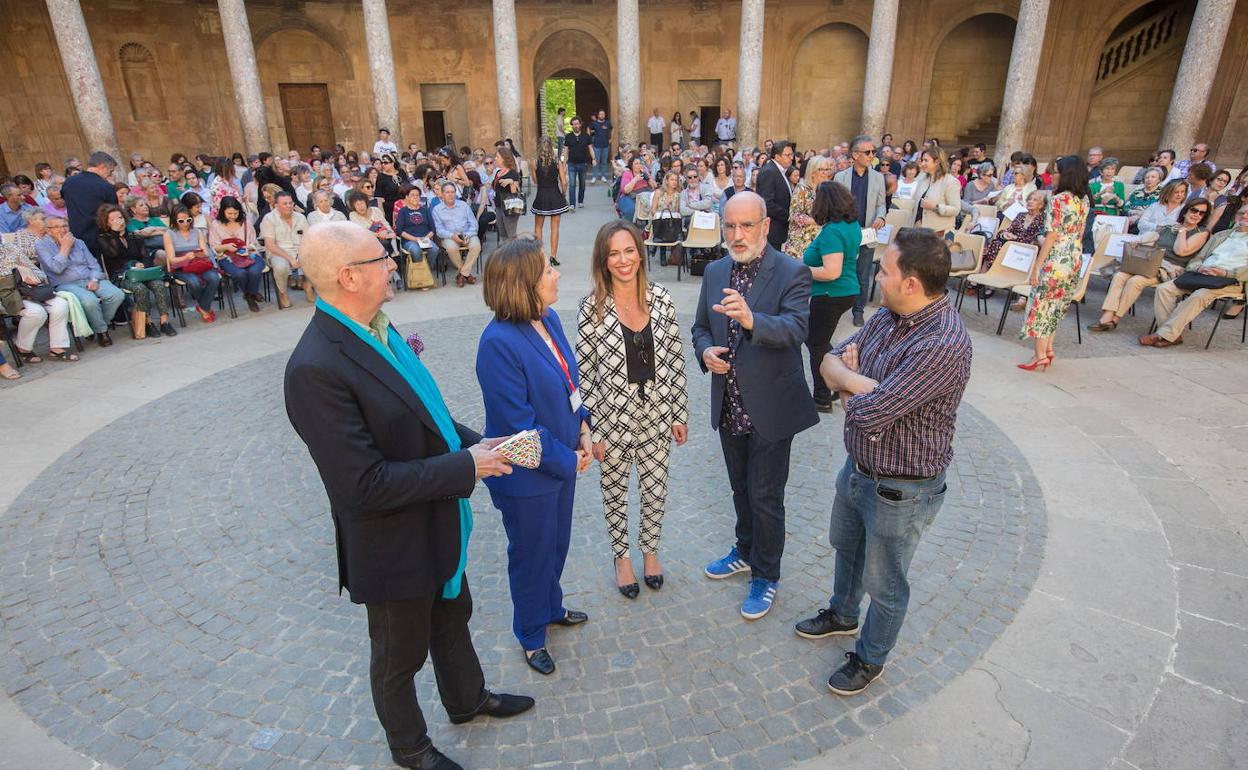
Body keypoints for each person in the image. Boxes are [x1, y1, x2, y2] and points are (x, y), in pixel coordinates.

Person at [283, 222, 533, 770]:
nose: (394, 263)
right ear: (348, 276)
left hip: (436, 520)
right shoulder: (314, 368)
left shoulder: (377, 327)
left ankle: (467, 700)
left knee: (453, 614)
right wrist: (466, 466)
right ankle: (410, 748)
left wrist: (477, 444)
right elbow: (363, 484)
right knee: (399, 656)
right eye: (381, 258)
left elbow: (428, 418)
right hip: (391, 543)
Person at [799, 227, 971, 696]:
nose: (877, 274)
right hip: (860, 468)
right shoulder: (890, 316)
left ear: (911, 283)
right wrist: (858, 378)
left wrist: (849, 379)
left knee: (886, 580)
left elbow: (870, 411)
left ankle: (870, 657)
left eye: (886, 270)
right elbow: (829, 362)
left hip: (902, 488)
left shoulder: (942, 343)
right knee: (847, 548)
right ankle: (842, 614)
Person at [693, 192, 818, 620]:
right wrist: (706, 351)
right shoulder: (714, 270)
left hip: (771, 406)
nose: (737, 234)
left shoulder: (792, 271)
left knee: (766, 495)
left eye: (747, 225)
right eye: (730, 226)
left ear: (765, 226)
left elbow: (796, 329)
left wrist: (750, 321)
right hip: (729, 403)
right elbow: (698, 328)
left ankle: (766, 574)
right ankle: (745, 549)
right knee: (740, 488)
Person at [476, 237, 593, 675]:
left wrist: (584, 426)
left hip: (562, 462)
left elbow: (569, 384)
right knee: (531, 554)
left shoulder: (550, 318)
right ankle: (530, 633)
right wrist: (570, 459)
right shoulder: (497, 343)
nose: (557, 274)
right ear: (523, 284)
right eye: (548, 270)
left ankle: (552, 606)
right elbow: (519, 430)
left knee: (557, 545)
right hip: (528, 478)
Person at [575, 221, 688, 599]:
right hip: (612, 419)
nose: (623, 261)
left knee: (656, 490)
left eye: (629, 251)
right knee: (615, 492)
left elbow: (674, 358)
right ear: (603, 261)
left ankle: (651, 552)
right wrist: (594, 431)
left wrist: (678, 412)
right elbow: (585, 376)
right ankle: (621, 558)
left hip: (656, 412)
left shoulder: (661, 299)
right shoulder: (590, 310)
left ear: (640, 254)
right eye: (614, 253)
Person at [1091, 198, 1212, 333]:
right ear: (1185, 211)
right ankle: (1107, 315)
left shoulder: (1201, 233)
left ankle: (1116, 319)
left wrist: (1182, 231)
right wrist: (1139, 241)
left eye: (1201, 213)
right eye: (1194, 210)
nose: (1197, 215)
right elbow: (1153, 236)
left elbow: (1181, 251)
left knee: (1135, 281)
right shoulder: (1169, 227)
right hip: (1150, 263)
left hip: (1171, 269)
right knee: (1119, 275)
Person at [1138, 205, 1248, 348]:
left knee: (1199, 295)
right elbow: (1198, 258)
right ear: (1235, 216)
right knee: (1164, 289)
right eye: (1242, 212)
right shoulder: (1222, 235)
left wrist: (1225, 273)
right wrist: (1199, 267)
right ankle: (1172, 335)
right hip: (1203, 274)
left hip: (1233, 280)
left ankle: (1162, 334)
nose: (1244, 216)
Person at [1019, 156, 1090, 371]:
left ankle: (1039, 355)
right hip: (1074, 258)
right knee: (1057, 307)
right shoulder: (1083, 200)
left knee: (1042, 307)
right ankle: (1048, 350)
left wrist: (1037, 266)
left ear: (1066, 173)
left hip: (1056, 259)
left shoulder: (1059, 200)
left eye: (1057, 171)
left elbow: (1051, 236)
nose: (1053, 175)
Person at [802, 181, 862, 412]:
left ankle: (822, 396)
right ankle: (835, 383)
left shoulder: (832, 231)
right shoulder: (852, 225)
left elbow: (831, 271)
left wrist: (800, 270)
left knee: (816, 343)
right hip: (845, 291)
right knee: (821, 342)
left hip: (830, 293)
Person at [33, 214, 124, 346]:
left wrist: (94, 279)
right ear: (48, 230)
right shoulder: (42, 246)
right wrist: (65, 248)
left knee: (117, 295)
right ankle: (102, 331)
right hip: (66, 284)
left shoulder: (79, 242)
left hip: (89, 278)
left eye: (64, 226)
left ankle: (94, 326)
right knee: (90, 301)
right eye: (57, 227)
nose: (62, 229)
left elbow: (93, 265)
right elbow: (56, 268)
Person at [1, 211, 77, 362]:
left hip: (28, 288)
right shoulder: (20, 237)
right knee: (36, 312)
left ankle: (57, 347)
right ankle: (23, 347)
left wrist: (32, 276)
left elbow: (34, 268)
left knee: (60, 304)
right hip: (7, 294)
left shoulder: (9, 248)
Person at [97, 205, 174, 336]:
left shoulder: (134, 236)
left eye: (120, 217)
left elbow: (146, 257)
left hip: (142, 273)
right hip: (122, 275)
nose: (118, 221)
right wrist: (116, 233)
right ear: (106, 222)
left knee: (159, 284)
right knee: (140, 288)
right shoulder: (104, 238)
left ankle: (164, 321)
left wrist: (141, 264)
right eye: (113, 219)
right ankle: (147, 322)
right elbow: (112, 254)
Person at [834, 135, 887, 327]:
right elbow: (836, 204)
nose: (872, 155)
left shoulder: (878, 177)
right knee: (841, 271)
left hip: (868, 232)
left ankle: (858, 310)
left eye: (873, 152)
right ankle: (839, 307)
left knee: (863, 275)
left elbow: (882, 204)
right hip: (846, 233)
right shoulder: (841, 177)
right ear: (855, 155)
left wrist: (881, 217)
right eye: (867, 152)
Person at [163, 204, 220, 324]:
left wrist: (199, 254)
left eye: (188, 220)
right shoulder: (169, 234)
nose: (185, 223)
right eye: (181, 221)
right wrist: (185, 257)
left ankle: (203, 307)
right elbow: (172, 259)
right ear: (175, 220)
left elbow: (206, 252)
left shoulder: (197, 231)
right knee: (194, 282)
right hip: (181, 267)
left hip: (198, 263)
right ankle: (206, 308)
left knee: (214, 278)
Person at [209, 196, 265, 313]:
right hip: (227, 257)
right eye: (229, 213)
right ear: (223, 211)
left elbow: (254, 242)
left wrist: (247, 248)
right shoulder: (216, 225)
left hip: (249, 254)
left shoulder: (246, 222)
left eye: (235, 213)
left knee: (255, 271)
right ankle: (250, 295)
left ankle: (251, 293)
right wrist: (226, 247)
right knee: (240, 274)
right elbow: (214, 246)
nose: (233, 216)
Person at [260, 190, 311, 308]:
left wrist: (301, 255)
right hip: (278, 252)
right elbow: (270, 245)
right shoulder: (269, 219)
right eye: (285, 204)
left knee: (315, 259)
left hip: (299, 249)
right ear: (276, 205)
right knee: (281, 266)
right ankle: (283, 292)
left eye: (290, 203)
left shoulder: (301, 217)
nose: (289, 206)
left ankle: (308, 285)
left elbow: (307, 239)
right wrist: (290, 259)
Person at [60, 151, 118, 254]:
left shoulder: (69, 182)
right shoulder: (105, 187)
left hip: (76, 236)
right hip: (99, 239)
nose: (110, 174)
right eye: (110, 171)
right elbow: (113, 213)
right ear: (102, 166)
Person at [978, 189, 1047, 275]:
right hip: (1010, 244)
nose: (1030, 201)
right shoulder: (1021, 215)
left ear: (1041, 205)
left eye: (1035, 200)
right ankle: (983, 276)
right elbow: (1009, 230)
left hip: (1027, 249)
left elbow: (1036, 239)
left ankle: (984, 277)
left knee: (998, 246)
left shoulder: (1044, 219)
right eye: (1029, 199)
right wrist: (1005, 234)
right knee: (996, 242)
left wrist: (1017, 238)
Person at [525, 138, 570, 267]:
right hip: (555, 195)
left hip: (541, 195)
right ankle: (553, 256)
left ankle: (540, 255)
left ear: (539, 147)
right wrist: (563, 193)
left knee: (538, 227)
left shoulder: (534, 162)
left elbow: (534, 181)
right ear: (551, 147)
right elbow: (564, 181)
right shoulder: (557, 162)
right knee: (554, 227)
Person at [782, 155, 833, 260]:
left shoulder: (825, 189)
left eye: (827, 169)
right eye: (821, 169)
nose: (825, 173)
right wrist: (817, 221)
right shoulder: (802, 189)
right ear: (812, 172)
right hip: (801, 243)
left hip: (819, 239)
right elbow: (795, 216)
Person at [432, 181, 481, 288]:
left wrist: (468, 234)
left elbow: (473, 223)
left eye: (453, 192)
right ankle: (466, 274)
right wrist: (452, 236)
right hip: (449, 236)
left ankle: (462, 274)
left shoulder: (464, 205)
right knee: (451, 248)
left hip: (466, 234)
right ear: (442, 194)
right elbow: (439, 230)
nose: (450, 195)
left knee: (476, 246)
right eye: (447, 192)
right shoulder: (437, 210)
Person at [755, 141, 796, 250]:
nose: (791, 158)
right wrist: (790, 217)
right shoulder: (769, 172)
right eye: (788, 155)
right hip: (772, 232)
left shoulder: (780, 171)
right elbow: (767, 204)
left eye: (792, 154)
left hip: (779, 231)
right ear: (777, 156)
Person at [912, 147, 960, 234]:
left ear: (937, 161)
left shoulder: (951, 182)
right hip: (918, 231)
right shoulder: (922, 178)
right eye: (922, 160)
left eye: (926, 160)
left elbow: (956, 209)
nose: (922, 163)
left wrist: (935, 207)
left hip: (938, 233)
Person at [492, 147, 524, 240]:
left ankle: (515, 253)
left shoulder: (513, 173)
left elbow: (515, 192)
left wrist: (511, 182)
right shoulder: (498, 172)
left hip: (510, 206)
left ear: (504, 158)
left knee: (511, 234)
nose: (495, 159)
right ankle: (507, 253)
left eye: (497, 157)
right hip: (498, 205)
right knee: (502, 234)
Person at [563, 116, 592, 209]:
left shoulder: (586, 136)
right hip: (571, 163)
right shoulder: (568, 137)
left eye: (577, 124)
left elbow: (590, 148)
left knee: (582, 184)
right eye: (574, 124)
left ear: (580, 124)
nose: (576, 126)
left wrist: (594, 158)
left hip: (583, 163)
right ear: (572, 125)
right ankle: (572, 204)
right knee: (572, 184)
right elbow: (566, 150)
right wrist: (564, 162)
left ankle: (580, 201)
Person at [590, 109, 613, 183]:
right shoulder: (594, 123)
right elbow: (589, 129)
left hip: (605, 145)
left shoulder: (608, 123)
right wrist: (590, 138)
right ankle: (594, 177)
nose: (602, 115)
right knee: (596, 161)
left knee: (604, 162)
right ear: (598, 115)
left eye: (603, 114)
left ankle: (603, 176)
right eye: (600, 114)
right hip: (596, 145)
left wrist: (611, 138)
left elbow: (613, 129)